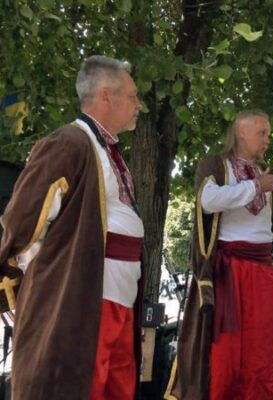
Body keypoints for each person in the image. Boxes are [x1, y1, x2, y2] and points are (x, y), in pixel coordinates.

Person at [0, 55, 144, 399]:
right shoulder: (69, 143)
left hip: (118, 300)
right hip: (84, 302)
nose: (138, 105)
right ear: (106, 95)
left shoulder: (107, 151)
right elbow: (24, 221)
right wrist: (32, 281)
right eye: (132, 96)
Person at [165, 110, 273, 400]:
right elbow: (208, 200)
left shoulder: (266, 171)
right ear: (241, 132)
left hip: (262, 270)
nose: (267, 140)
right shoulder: (215, 164)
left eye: (268, 133)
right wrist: (255, 187)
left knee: (263, 344)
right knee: (227, 347)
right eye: (262, 133)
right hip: (229, 271)